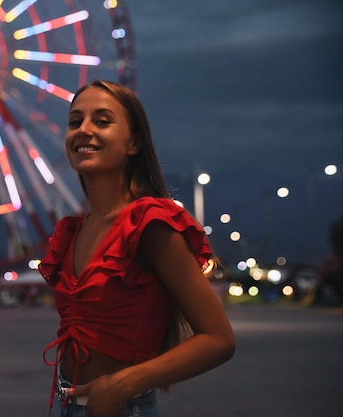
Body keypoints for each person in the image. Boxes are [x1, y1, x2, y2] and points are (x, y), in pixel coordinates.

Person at [38, 80, 235, 417]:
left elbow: (219, 339)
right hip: (65, 404)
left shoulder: (149, 224)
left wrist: (125, 383)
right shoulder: (73, 232)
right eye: (75, 122)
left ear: (134, 143)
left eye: (102, 121)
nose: (84, 130)